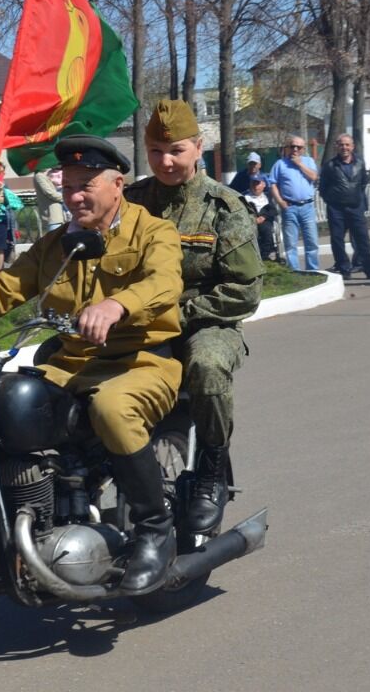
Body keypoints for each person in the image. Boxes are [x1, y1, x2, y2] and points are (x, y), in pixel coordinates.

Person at [0, 134, 184, 594]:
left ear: (118, 183)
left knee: (113, 410)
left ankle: (154, 531)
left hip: (138, 362)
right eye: (68, 186)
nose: (75, 195)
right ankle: (23, 526)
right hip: (71, 365)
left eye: (87, 184)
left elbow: (164, 280)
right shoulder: (58, 244)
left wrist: (117, 305)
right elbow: (4, 288)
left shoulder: (153, 232)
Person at [125, 100, 263, 535]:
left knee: (206, 368)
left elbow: (245, 290)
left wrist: (180, 313)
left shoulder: (224, 207)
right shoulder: (131, 203)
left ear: (198, 148)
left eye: (176, 150)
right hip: (140, 322)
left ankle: (210, 470)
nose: (165, 161)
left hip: (207, 322)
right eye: (155, 151)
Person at [319, 134, 370, 280]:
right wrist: (333, 200)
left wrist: (355, 197)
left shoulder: (360, 163)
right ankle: (344, 268)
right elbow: (323, 188)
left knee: (363, 239)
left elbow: (363, 182)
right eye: (341, 145)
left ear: (352, 146)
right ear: (336, 147)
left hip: (355, 207)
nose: (344, 148)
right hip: (336, 210)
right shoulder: (329, 165)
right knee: (337, 240)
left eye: (347, 145)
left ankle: (369, 268)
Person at [267, 134, 319, 270]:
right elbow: (272, 184)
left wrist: (299, 164)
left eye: (299, 147)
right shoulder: (280, 164)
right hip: (290, 207)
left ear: (303, 149)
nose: (295, 149)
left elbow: (314, 176)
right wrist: (280, 201)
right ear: (288, 148)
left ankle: (313, 271)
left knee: (311, 242)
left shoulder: (308, 161)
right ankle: (295, 272)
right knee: (291, 244)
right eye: (292, 146)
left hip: (307, 206)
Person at [243, 177, 279, 261]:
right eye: (253, 184)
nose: (255, 187)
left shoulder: (268, 197)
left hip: (265, 220)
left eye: (258, 184)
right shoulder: (245, 197)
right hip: (250, 222)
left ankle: (265, 256)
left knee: (266, 230)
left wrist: (264, 217)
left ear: (263, 185)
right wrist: (253, 219)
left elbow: (274, 211)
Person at [33, 167, 66, 233]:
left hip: (57, 215)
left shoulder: (43, 175)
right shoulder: (39, 176)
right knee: (55, 239)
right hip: (53, 215)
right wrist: (65, 198)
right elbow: (49, 193)